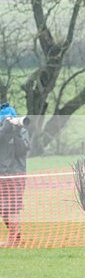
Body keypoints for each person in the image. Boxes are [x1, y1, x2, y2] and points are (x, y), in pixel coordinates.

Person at [0, 102, 30, 247]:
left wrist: (17, 133)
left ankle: (13, 240)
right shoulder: (2, 130)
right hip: (1, 175)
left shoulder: (22, 131)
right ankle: (15, 237)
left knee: (12, 207)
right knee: (3, 209)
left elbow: (22, 151)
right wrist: (4, 131)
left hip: (16, 175)